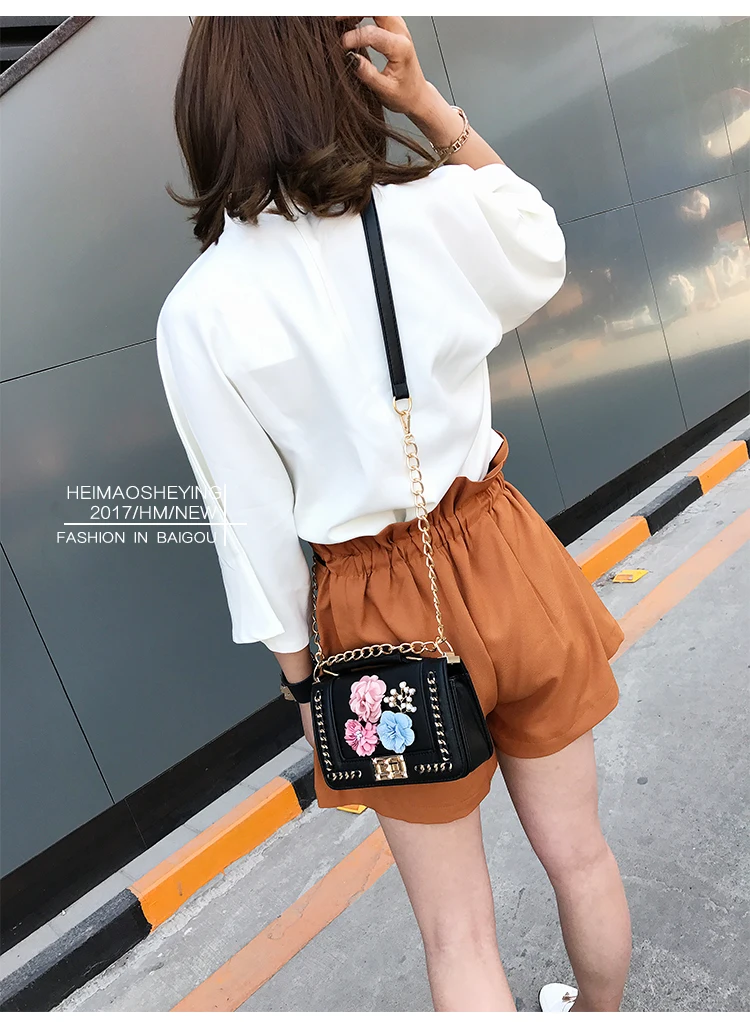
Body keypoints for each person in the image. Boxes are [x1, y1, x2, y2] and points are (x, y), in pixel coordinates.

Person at [156, 16, 631, 1012]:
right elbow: (538, 247)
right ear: (346, 81)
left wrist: (301, 682)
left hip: (373, 614)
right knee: (581, 852)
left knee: (457, 932)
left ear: (207, 110)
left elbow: (249, 524)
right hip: (502, 546)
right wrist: (428, 106)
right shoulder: (433, 208)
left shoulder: (200, 311)